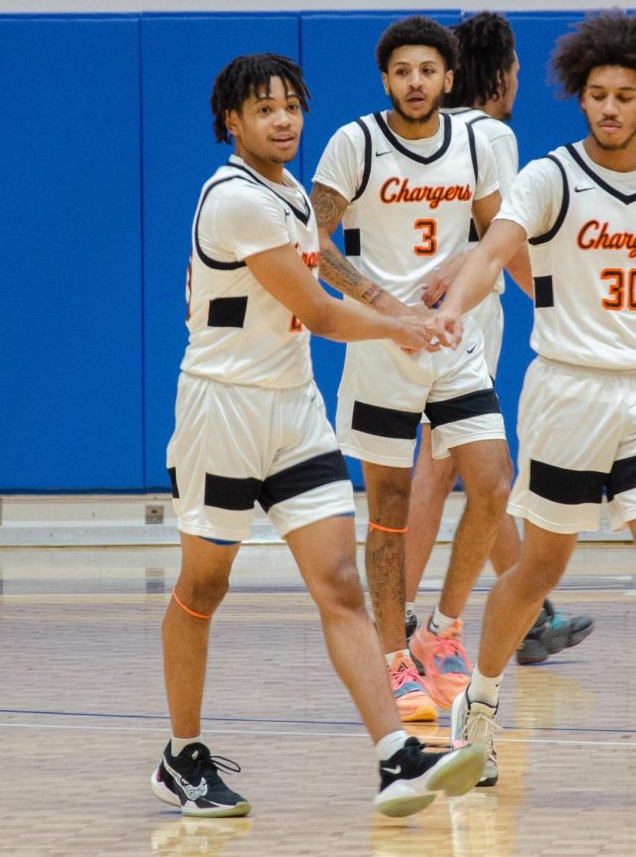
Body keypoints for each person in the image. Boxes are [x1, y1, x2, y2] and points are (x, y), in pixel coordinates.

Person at [152, 52, 485, 819]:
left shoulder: (292, 191)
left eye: (293, 107)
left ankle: (395, 757)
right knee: (204, 587)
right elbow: (323, 311)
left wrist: (391, 304)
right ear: (231, 122)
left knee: (339, 583)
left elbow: (329, 274)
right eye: (264, 109)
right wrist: (403, 323)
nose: (283, 120)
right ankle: (181, 754)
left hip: (293, 409)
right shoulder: (236, 198)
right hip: (224, 409)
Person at [437, 11, 636, 798]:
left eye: (624, 95)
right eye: (596, 95)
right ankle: (478, 707)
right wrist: (453, 307)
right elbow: (493, 251)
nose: (609, 107)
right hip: (567, 391)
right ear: (579, 99)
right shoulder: (550, 177)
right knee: (541, 565)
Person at [310, 16, 527, 723]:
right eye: (402, 71)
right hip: (382, 348)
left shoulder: (477, 142)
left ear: (447, 77)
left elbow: (500, 233)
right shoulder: (356, 142)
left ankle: (442, 631)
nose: (414, 82)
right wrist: (380, 303)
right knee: (392, 509)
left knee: (492, 481)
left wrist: (465, 269)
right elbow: (309, 236)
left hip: (453, 339)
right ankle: (391, 656)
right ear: (386, 79)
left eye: (427, 71)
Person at [402, 10, 594, 669]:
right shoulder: (492, 135)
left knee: (477, 476)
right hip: (458, 323)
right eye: (516, 70)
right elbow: (505, 245)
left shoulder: (432, 132)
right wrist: (562, 305)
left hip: (433, 317)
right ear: (504, 75)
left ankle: (531, 615)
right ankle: (397, 627)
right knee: (443, 473)